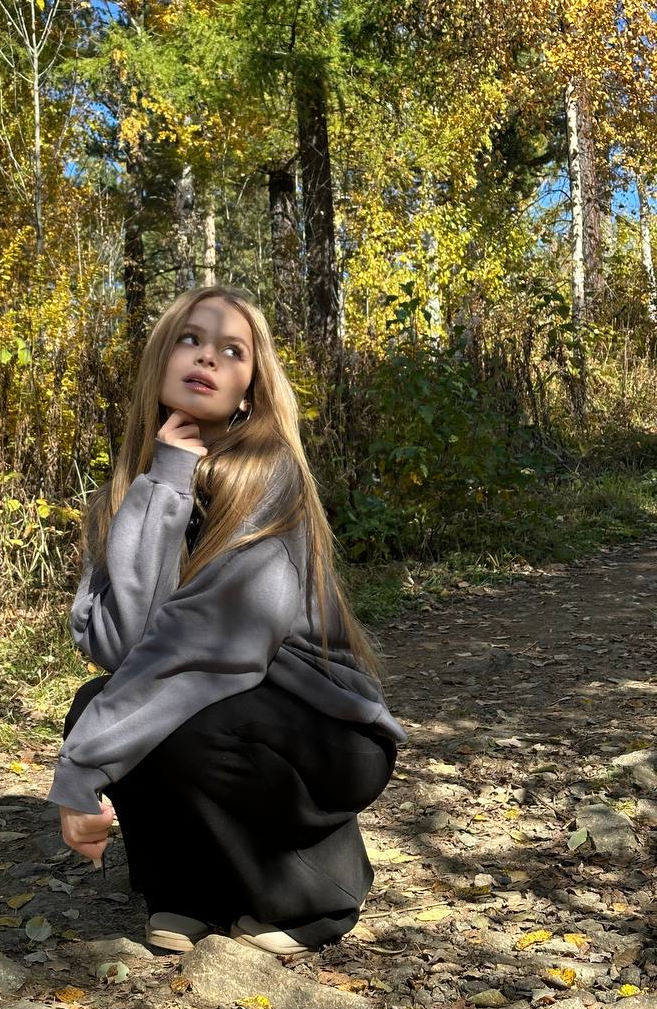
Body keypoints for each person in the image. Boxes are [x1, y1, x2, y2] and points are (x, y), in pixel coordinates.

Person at [47, 285, 406, 959]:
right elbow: (121, 647)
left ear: (249, 390)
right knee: (99, 703)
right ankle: (188, 893)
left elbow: (214, 648)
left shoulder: (270, 479)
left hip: (326, 733)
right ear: (160, 361)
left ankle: (318, 893)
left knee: (182, 717)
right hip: (233, 708)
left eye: (232, 351)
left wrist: (82, 767)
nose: (207, 357)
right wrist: (165, 483)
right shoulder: (132, 491)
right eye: (190, 339)